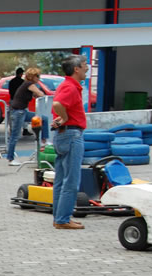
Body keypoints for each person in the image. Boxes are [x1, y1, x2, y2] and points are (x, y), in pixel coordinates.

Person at [51, 55, 88, 230]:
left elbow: (57, 104)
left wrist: (61, 119)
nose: (87, 68)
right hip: (72, 135)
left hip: (63, 134)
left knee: (60, 179)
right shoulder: (71, 87)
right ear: (76, 69)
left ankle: (59, 216)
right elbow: (58, 104)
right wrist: (64, 117)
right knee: (71, 180)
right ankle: (63, 219)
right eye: (85, 65)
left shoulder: (65, 85)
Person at [6, 67, 50, 166]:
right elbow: (40, 93)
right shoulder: (29, 84)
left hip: (22, 111)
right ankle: (10, 158)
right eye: (38, 76)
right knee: (15, 136)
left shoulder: (27, 85)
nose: (39, 78)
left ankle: (44, 141)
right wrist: (40, 93)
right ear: (33, 77)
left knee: (44, 119)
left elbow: (34, 95)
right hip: (18, 112)